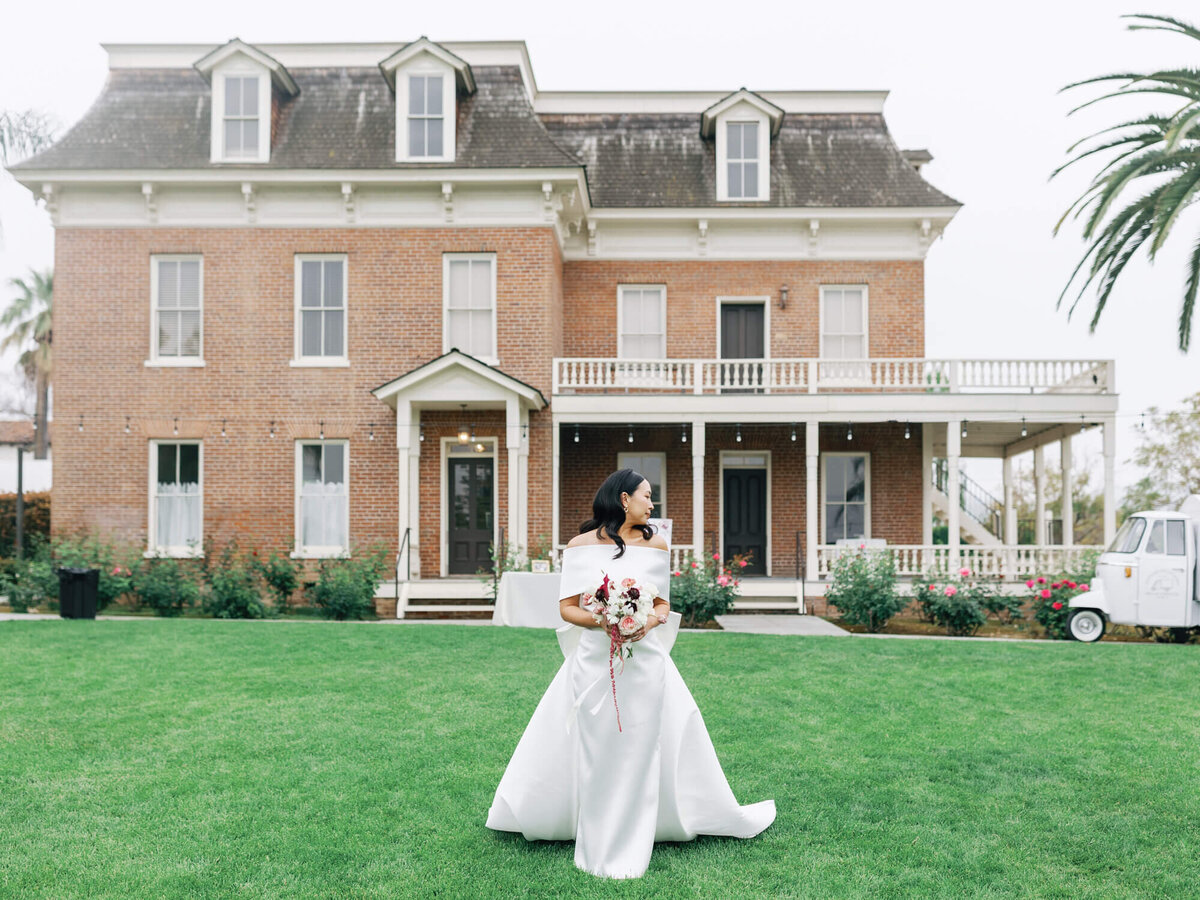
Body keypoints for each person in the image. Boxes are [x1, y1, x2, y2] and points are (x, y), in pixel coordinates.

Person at [486, 468, 775, 879]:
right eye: (647, 496)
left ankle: (643, 828)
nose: (652, 504)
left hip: (645, 662)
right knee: (597, 745)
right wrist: (601, 620)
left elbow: (661, 605)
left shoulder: (656, 545)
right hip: (593, 662)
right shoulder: (580, 546)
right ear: (624, 499)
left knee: (643, 744)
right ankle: (593, 826)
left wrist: (648, 622)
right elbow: (567, 608)